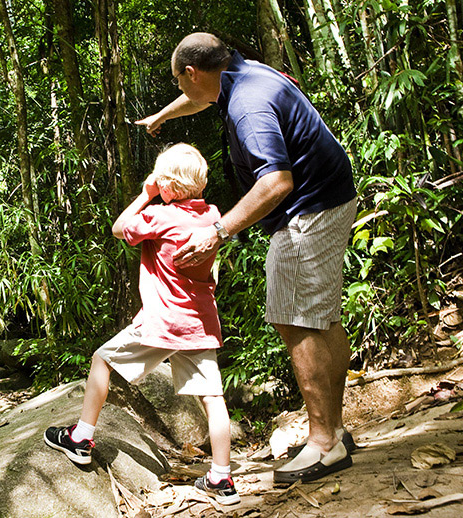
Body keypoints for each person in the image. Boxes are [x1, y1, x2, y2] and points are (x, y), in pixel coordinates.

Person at [135, 32, 358, 485]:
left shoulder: (248, 105)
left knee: (296, 320)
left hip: (307, 211)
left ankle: (324, 444)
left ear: (192, 73)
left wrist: (218, 231)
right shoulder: (243, 73)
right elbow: (197, 100)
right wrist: (163, 115)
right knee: (321, 317)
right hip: (332, 197)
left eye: (180, 85)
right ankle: (334, 430)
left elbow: (276, 182)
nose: (183, 94)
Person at [43, 143, 240, 506]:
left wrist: (145, 194)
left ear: (167, 185)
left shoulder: (161, 216)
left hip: (162, 321)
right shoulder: (213, 215)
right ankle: (222, 479)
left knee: (102, 359)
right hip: (198, 324)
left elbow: (119, 228)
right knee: (213, 399)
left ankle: (81, 437)